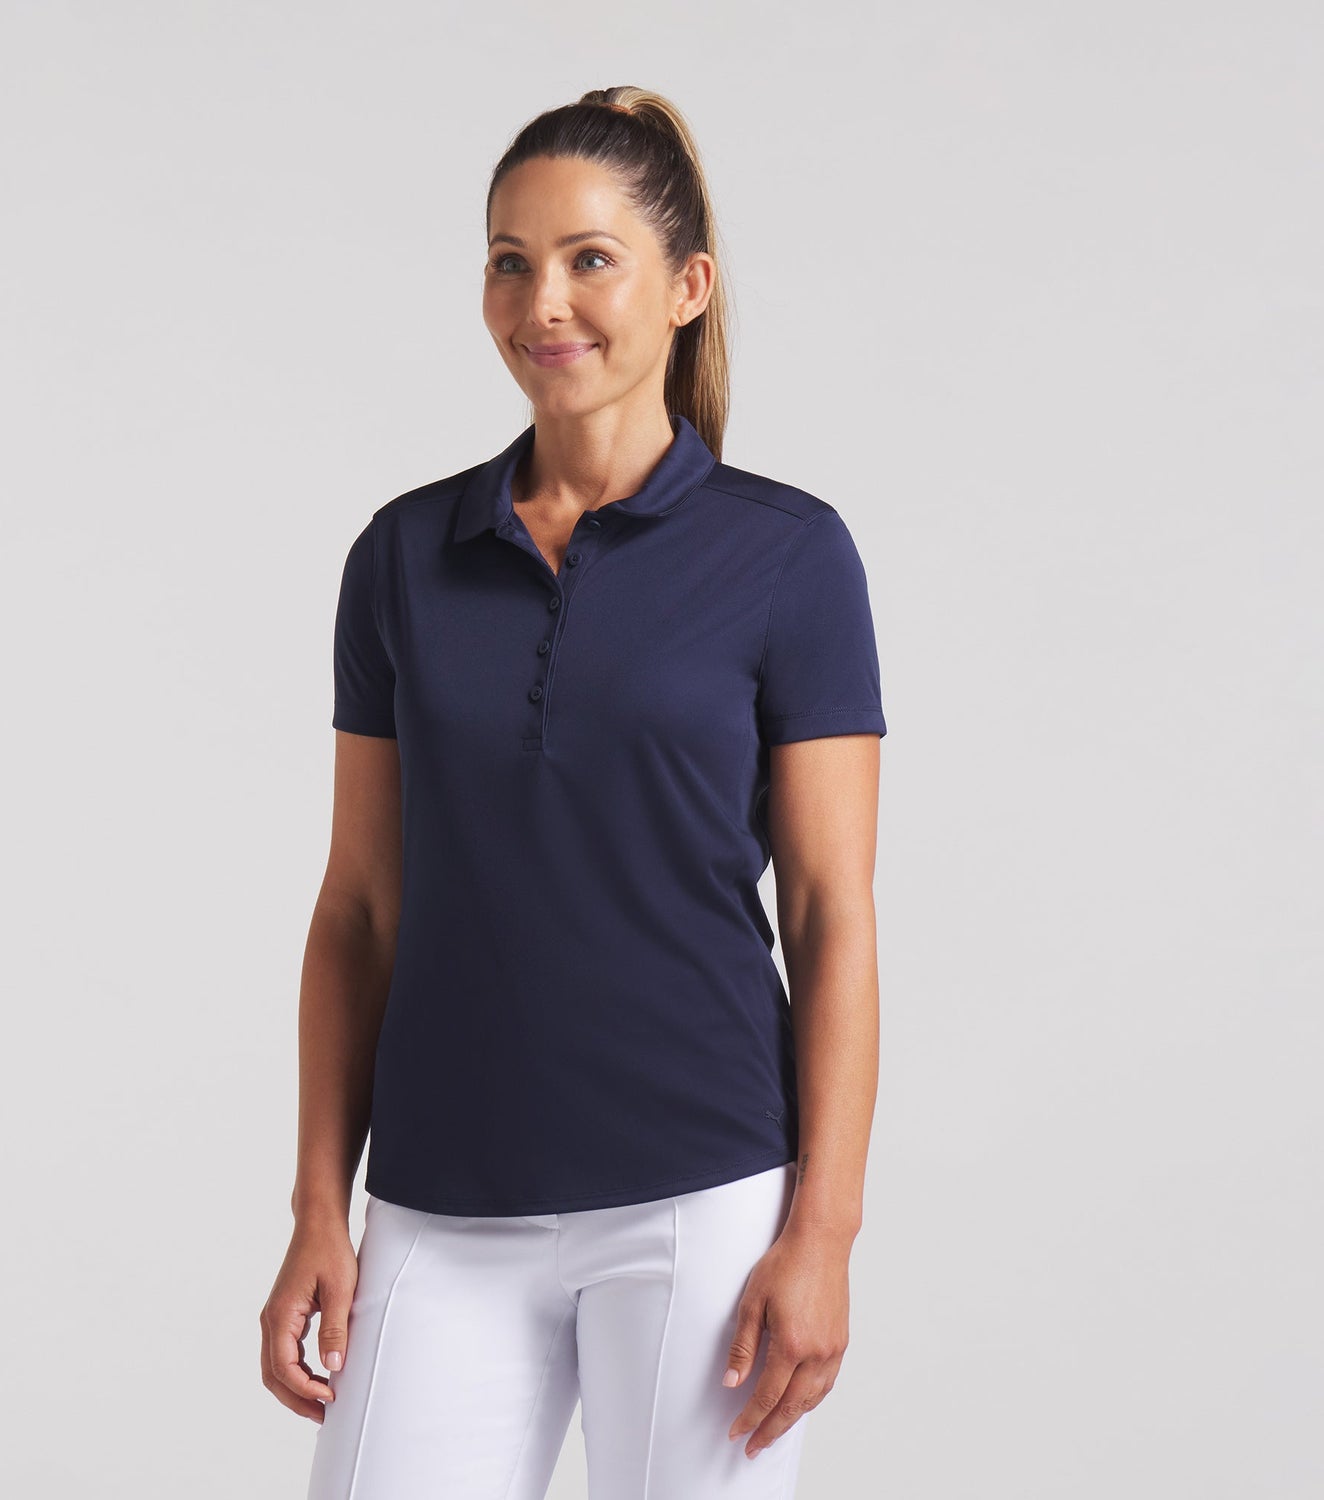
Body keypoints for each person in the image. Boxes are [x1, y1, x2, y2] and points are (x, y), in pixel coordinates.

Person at [261, 85, 888, 1500]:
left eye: (589, 258)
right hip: (438, 1198)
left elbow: (832, 914)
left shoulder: (788, 557)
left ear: (687, 288)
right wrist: (318, 1206)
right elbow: (359, 908)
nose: (542, 300)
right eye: (510, 260)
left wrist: (825, 1232)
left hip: (701, 1197)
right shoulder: (403, 558)